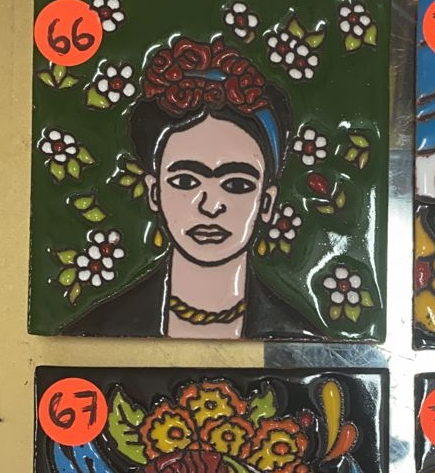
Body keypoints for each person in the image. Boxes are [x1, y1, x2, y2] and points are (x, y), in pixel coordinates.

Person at [71, 35, 318, 338]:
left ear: (266, 202)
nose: (210, 206)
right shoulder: (100, 328)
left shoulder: (297, 334)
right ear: (154, 192)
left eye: (237, 184)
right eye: (186, 181)